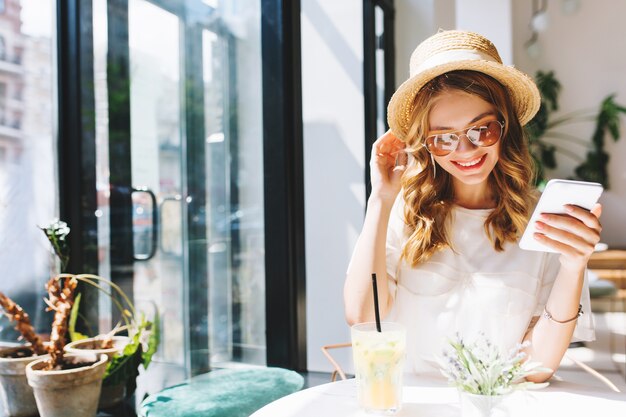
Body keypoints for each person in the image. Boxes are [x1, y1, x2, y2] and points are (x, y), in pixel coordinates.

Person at [343, 30, 601, 382]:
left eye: (482, 130)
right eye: (444, 138)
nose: (465, 151)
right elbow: (363, 318)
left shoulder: (542, 220)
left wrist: (573, 266)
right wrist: (380, 199)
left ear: (505, 126)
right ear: (425, 143)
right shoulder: (404, 211)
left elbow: (537, 368)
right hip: (409, 405)